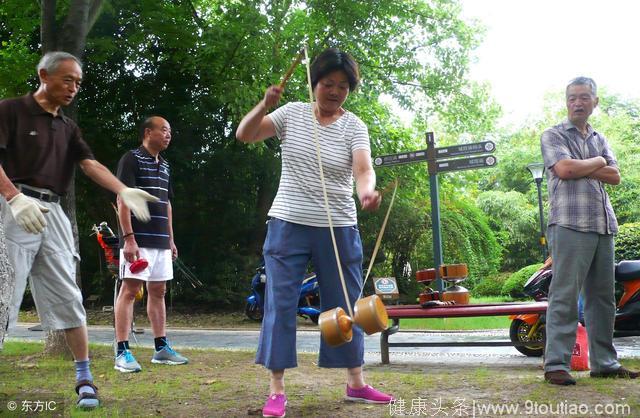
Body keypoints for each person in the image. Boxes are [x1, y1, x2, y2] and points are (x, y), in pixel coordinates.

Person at [236, 48, 393, 418]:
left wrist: (367, 191)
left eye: (342, 86)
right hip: (289, 223)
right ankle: (276, 389)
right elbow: (246, 134)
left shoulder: (354, 125)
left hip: (338, 225)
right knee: (281, 304)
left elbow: (363, 168)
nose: (335, 91)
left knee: (345, 305)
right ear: (314, 83)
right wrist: (263, 104)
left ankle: (356, 382)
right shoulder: (291, 113)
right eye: (328, 84)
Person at [0, 51, 158, 408]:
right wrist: (12, 197)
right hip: (14, 208)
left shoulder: (67, 126)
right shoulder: (10, 110)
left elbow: (89, 164)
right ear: (44, 74)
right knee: (2, 295)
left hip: (52, 213)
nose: (73, 88)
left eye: (78, 83)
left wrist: (122, 189)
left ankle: (85, 379)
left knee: (68, 295)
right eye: (67, 80)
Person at [540, 76, 639, 385]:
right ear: (566, 101)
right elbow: (565, 170)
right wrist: (596, 162)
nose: (577, 103)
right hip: (569, 223)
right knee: (564, 295)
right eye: (572, 98)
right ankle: (556, 364)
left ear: (595, 102)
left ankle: (605, 363)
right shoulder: (553, 134)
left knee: (603, 298)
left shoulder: (599, 136)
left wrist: (587, 164)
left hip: (603, 223)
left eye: (584, 97)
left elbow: (615, 176)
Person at [113, 116, 188, 373]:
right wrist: (129, 238)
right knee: (130, 291)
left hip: (160, 241)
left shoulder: (165, 165)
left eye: (170, 131)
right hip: (138, 240)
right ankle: (122, 351)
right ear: (148, 132)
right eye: (164, 130)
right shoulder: (131, 159)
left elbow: (166, 204)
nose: (169, 135)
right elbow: (123, 200)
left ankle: (161, 349)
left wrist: (171, 239)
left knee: (158, 292)